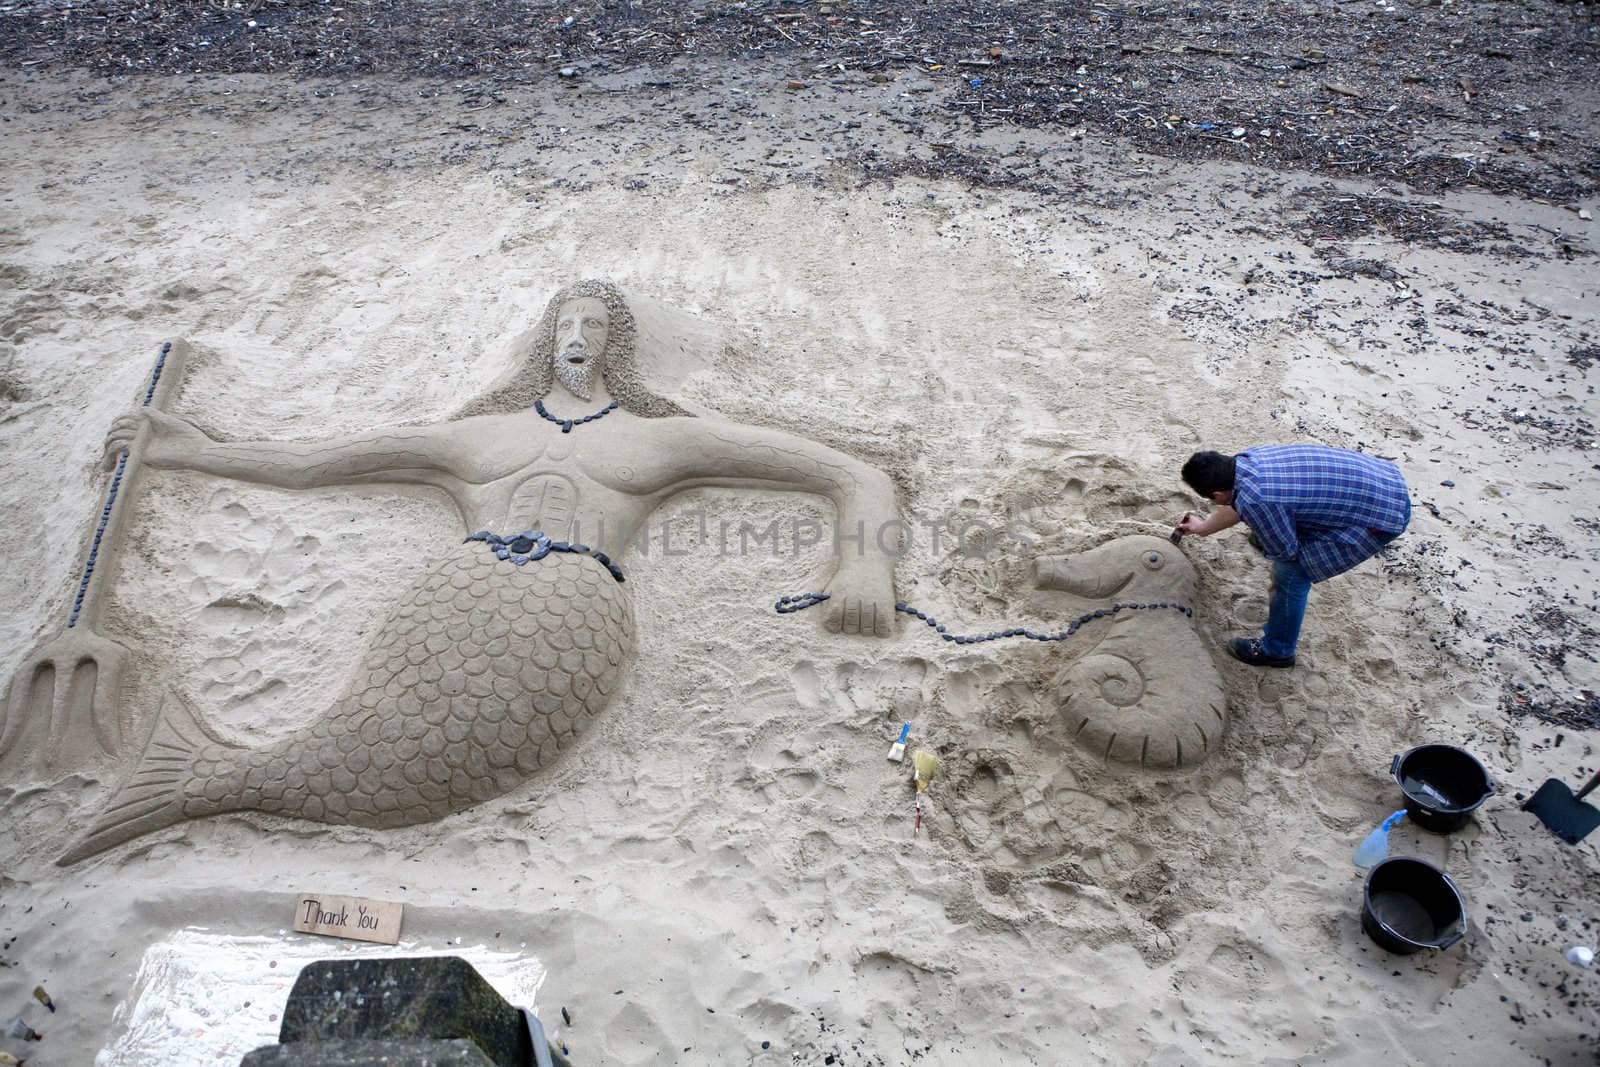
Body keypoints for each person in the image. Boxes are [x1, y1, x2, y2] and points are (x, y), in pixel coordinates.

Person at [1176, 445, 1411, 668]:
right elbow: (1243, 502)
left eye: (1212, 499)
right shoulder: (1246, 461)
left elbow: (1286, 552)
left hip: (1384, 516)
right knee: (1273, 529)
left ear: (1217, 494)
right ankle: (1271, 529)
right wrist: (1204, 528)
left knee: (1290, 574)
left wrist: (1275, 543)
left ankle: (1277, 651)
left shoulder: (1257, 499)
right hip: (1385, 480)